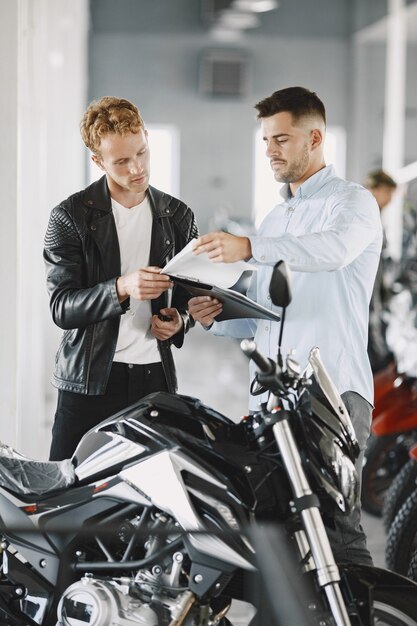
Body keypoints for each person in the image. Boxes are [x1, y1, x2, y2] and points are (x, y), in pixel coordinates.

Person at [188, 86, 382, 566]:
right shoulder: (275, 218)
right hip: (272, 398)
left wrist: (251, 247)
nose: (270, 150)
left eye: (282, 139)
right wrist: (215, 317)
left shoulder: (352, 204)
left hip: (331, 392)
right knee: (276, 532)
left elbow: (331, 251)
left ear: (314, 138)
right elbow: (262, 314)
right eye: (266, 141)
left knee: (335, 528)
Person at [44, 96, 198, 461]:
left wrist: (180, 322)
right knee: (66, 499)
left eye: (142, 153)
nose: (137, 168)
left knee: (153, 504)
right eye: (122, 161)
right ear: (98, 161)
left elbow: (189, 298)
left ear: (146, 137)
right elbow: (62, 307)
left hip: (154, 380)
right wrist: (122, 288)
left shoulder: (177, 216)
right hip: (89, 381)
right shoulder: (69, 217)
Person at [364, 169, 398, 373]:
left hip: (373, 297)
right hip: (367, 297)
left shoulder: (374, 214)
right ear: (375, 190)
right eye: (388, 193)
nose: (391, 199)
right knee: (373, 354)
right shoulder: (367, 216)